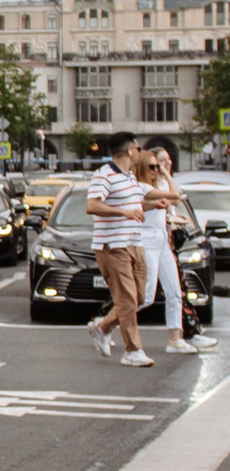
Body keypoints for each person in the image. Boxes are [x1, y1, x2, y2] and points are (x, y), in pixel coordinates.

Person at [137, 144, 213, 354]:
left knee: (175, 291)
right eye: (153, 166)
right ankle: (106, 323)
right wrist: (166, 173)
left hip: (162, 241)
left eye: (159, 165)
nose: (157, 169)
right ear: (143, 167)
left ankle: (175, 339)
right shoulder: (141, 187)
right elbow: (176, 195)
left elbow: (172, 198)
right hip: (147, 241)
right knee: (146, 295)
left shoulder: (158, 184)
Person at [85, 135, 152, 367]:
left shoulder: (130, 177)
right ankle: (133, 350)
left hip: (134, 243)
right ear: (131, 151)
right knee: (127, 299)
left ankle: (102, 327)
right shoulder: (104, 174)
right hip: (113, 245)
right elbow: (92, 205)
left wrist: (154, 205)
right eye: (138, 148)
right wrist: (124, 213)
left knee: (139, 297)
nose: (140, 152)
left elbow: (133, 205)